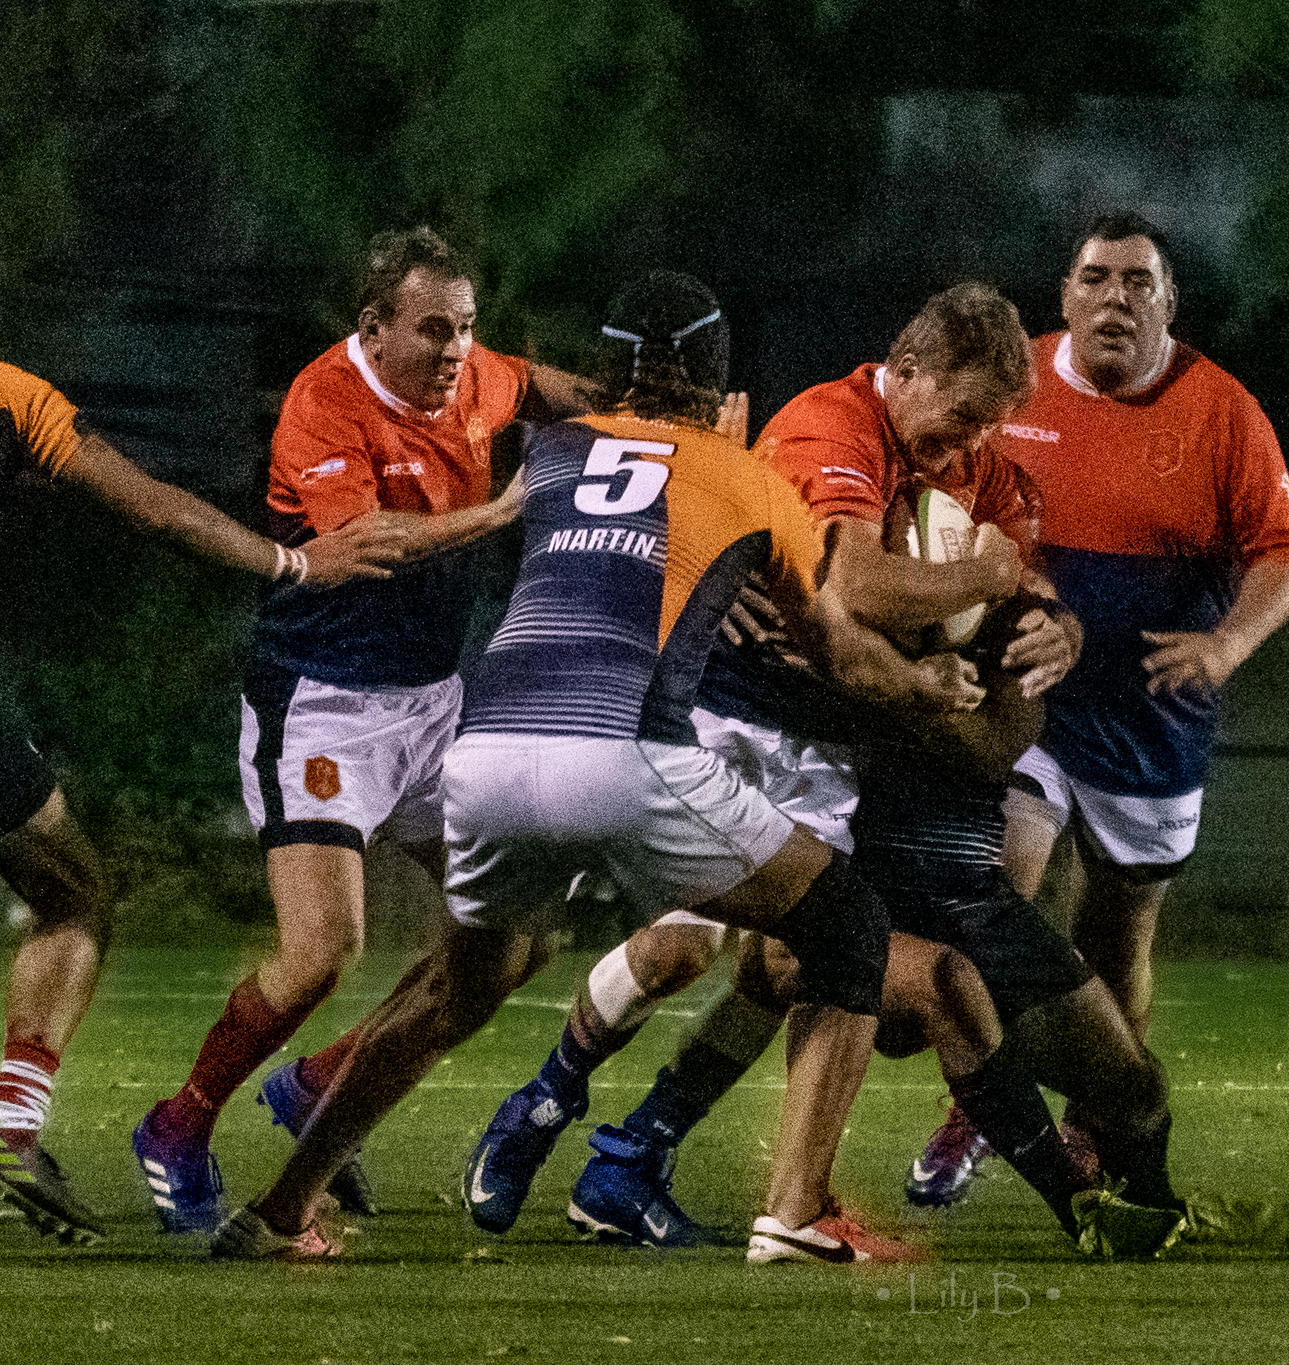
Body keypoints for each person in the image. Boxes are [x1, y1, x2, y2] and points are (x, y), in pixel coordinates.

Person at [209, 269, 977, 1260]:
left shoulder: (559, 449)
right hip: (625, 756)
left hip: (484, 759)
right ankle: (793, 1212)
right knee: (845, 924)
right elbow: (833, 650)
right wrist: (928, 688)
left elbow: (615, 472)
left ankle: (280, 1211)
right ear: (718, 382)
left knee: (456, 987)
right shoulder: (749, 479)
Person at [465, 284, 1183, 1259]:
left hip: (873, 776)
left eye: (988, 427)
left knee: (822, 967)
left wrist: (1055, 627)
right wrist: (973, 586)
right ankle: (556, 1105)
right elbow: (850, 581)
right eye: (958, 416)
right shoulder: (827, 424)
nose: (965, 445)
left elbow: (1019, 632)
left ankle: (643, 1162)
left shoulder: (992, 479)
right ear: (906, 371)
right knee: (717, 954)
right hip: (737, 719)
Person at [132, 226, 597, 1234]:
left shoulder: (474, 377)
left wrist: (644, 413)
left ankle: (319, 1085)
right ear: (373, 327)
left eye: (466, 330)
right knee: (323, 950)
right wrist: (506, 511)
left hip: (431, 706)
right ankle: (178, 1124)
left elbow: (543, 386)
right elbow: (365, 542)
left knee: (514, 937)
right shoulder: (323, 401)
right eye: (431, 331)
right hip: (322, 705)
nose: (453, 352)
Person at [0, 235, 402, 1244]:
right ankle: (11, 1129)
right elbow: (153, 509)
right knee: (73, 892)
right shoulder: (0, 388)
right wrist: (289, 563)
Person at [908, 212, 1289, 1204]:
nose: (1114, 299)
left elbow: (1286, 555)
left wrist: (1226, 643)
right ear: (1064, 295)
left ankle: (1102, 1125)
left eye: (1138, 283)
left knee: (1116, 939)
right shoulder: (1019, 387)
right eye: (1095, 278)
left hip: (1152, 720)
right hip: (1030, 701)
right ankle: (983, 1106)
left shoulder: (1221, 410)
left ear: (1167, 303)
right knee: (996, 885)